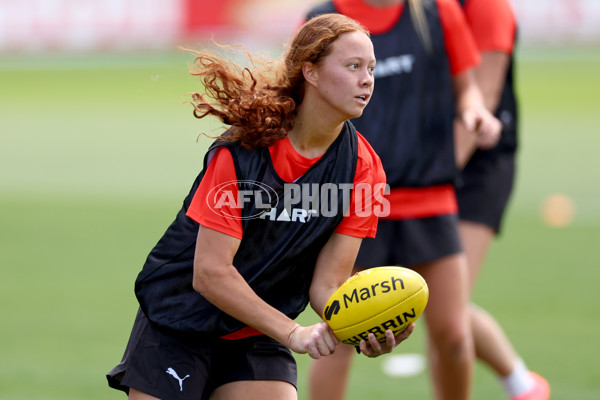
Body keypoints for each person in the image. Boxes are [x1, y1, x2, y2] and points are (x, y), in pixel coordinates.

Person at [105, 13, 415, 400]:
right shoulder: (243, 151)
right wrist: (293, 332)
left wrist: (360, 327)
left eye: (371, 67)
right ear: (311, 73)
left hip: (257, 331)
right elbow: (210, 273)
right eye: (353, 66)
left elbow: (328, 285)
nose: (367, 79)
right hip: (180, 319)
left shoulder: (364, 170)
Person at [305, 1, 501, 400]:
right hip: (354, 201)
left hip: (429, 197)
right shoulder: (324, 17)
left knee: (454, 335)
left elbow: (467, 90)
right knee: (337, 339)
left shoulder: (438, 12)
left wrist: (476, 112)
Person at [454, 1, 550, 399]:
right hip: (429, 161)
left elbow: (485, 94)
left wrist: (439, 176)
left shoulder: (487, 6)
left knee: (449, 302)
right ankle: (524, 385)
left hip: (479, 165)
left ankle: (523, 385)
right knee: (436, 300)